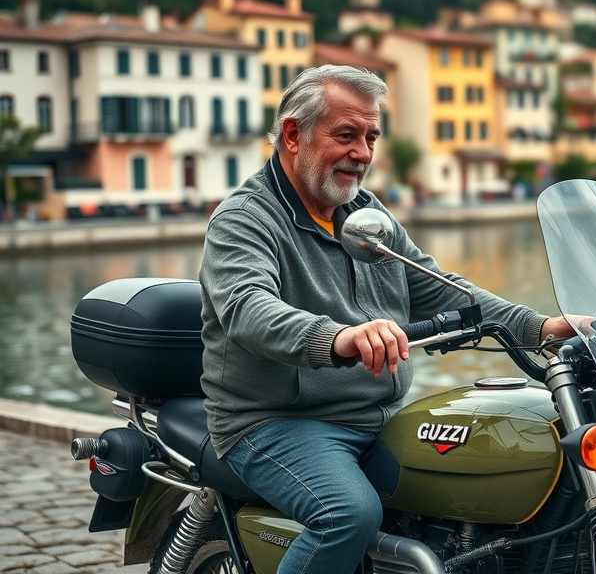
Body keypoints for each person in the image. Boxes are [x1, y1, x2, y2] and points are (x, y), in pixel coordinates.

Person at [198, 65, 574, 574]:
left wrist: (542, 327)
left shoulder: (365, 216)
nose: (362, 153)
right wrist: (339, 337)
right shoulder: (244, 219)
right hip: (275, 421)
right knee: (347, 514)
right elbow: (248, 308)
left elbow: (439, 287)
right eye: (346, 135)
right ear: (293, 134)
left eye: (371, 138)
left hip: (380, 414)